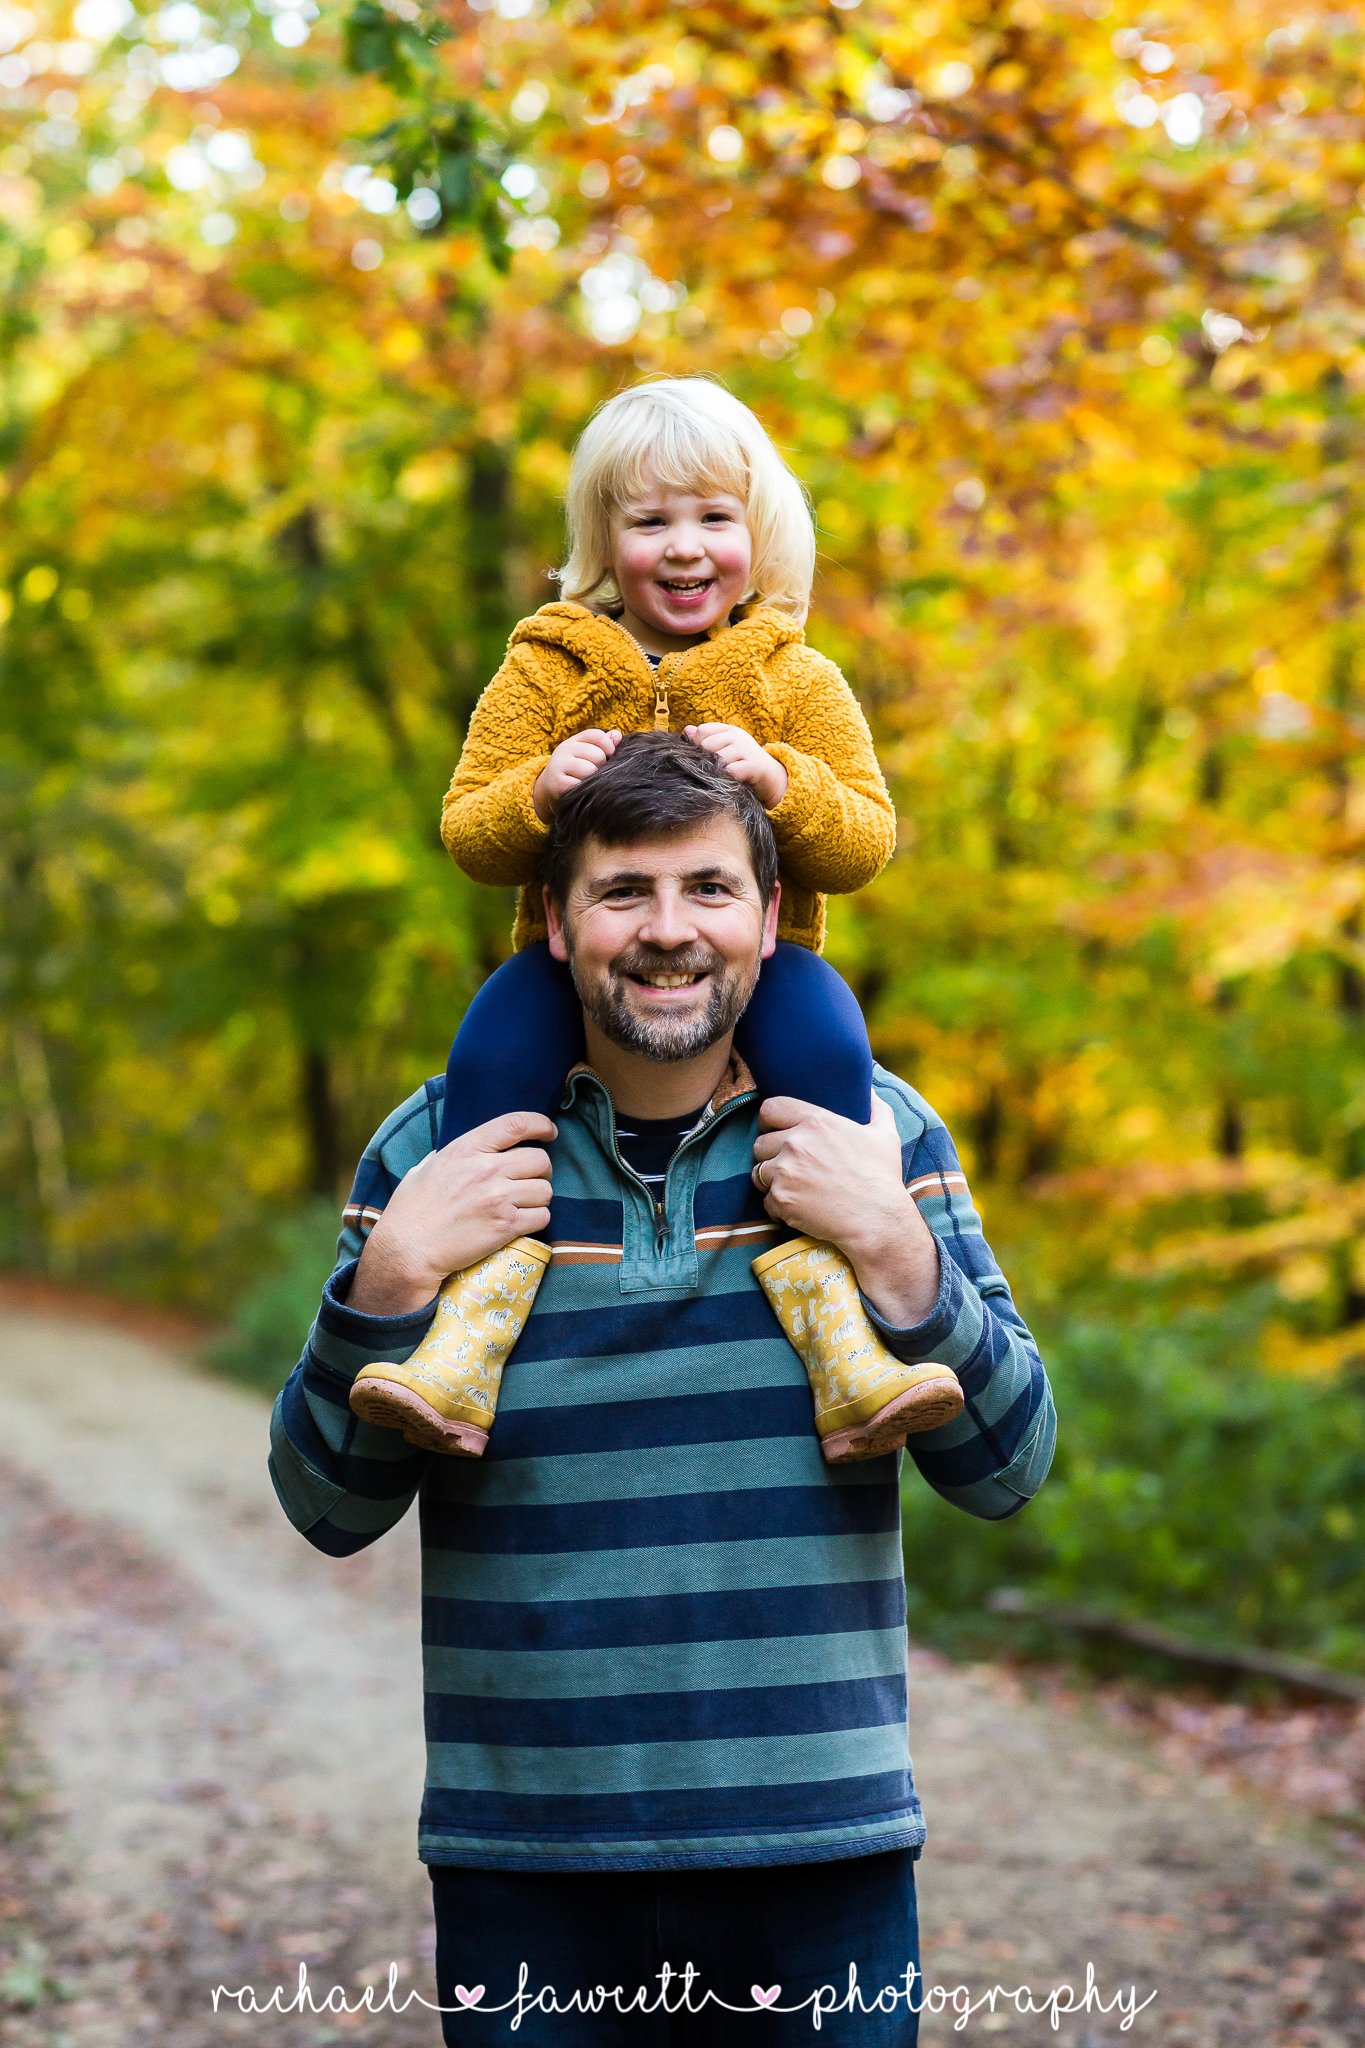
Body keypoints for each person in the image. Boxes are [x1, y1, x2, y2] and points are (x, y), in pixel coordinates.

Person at [268, 732, 1058, 2046]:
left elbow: (1009, 1468)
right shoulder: (439, 1150)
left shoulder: (880, 1135)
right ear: (560, 928)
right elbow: (324, 1505)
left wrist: (895, 1250)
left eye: (707, 889)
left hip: (823, 1843)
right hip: (526, 1858)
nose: (668, 931)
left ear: (765, 918)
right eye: (623, 892)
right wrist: (394, 1275)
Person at [347, 374, 964, 1467]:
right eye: (652, 521)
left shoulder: (794, 676)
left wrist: (783, 781)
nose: (686, 548)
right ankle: (472, 1318)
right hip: (566, 968)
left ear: (757, 534)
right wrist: (535, 791)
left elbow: (866, 838)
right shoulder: (545, 667)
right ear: (603, 539)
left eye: (714, 518)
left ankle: (840, 1316)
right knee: (490, 1060)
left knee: (829, 1046)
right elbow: (467, 829)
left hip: (769, 972)